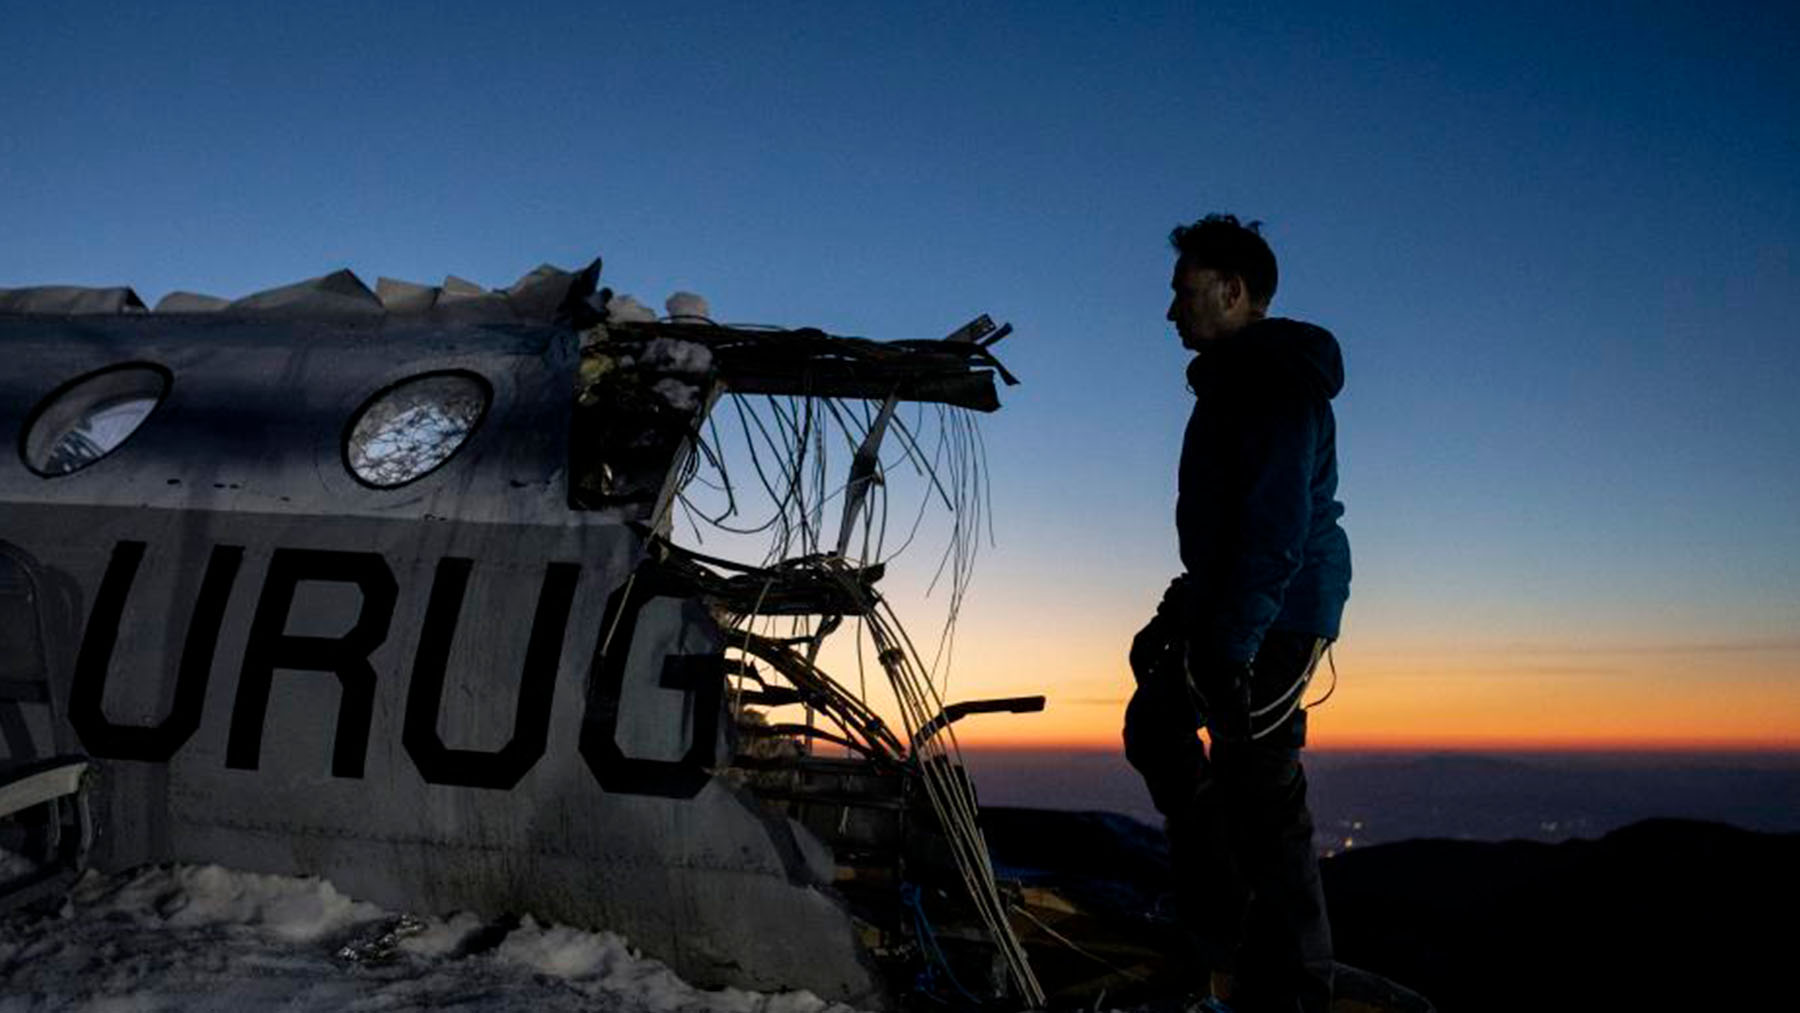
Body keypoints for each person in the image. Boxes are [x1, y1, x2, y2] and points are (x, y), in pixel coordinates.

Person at [1123, 214, 1351, 1013]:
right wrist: (1175, 615)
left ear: (1234, 291)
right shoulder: (1232, 381)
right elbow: (1223, 540)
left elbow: (1274, 534)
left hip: (1277, 614)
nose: (1171, 311)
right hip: (1235, 601)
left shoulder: (1275, 384)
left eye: (1183, 292)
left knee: (1262, 788)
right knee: (1157, 726)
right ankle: (1217, 933)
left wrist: (1230, 645)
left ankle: (1293, 991)